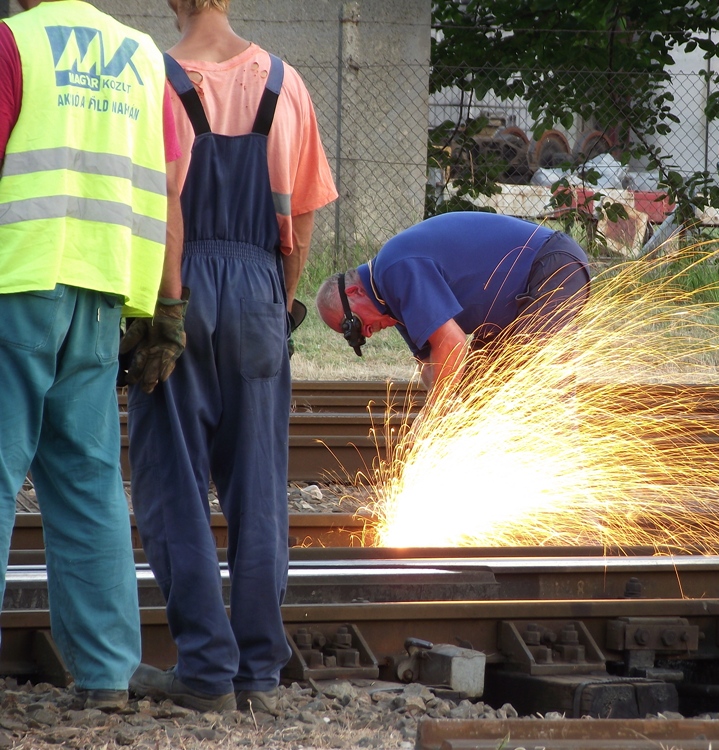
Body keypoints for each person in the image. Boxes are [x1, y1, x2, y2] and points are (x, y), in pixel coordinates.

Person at [126, 0, 337, 714]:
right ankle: (256, 670)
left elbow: (153, 203)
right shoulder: (287, 82)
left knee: (173, 480)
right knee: (258, 486)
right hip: (258, 284)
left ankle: (206, 670)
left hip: (178, 282)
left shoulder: (149, 76)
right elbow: (303, 212)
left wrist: (163, 302)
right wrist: (280, 296)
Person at [0, 0, 183, 712]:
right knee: (89, 480)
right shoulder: (142, 58)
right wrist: (168, 308)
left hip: (18, 281)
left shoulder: (15, 44)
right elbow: (169, 186)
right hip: (103, 291)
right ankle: (107, 673)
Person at [316, 212, 591, 403]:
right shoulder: (389, 301)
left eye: (351, 325)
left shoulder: (394, 269)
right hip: (515, 305)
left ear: (353, 292)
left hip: (550, 266)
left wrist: (434, 412)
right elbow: (432, 366)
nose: (365, 333)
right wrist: (447, 414)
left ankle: (569, 478)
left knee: (539, 384)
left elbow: (453, 345)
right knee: (476, 392)